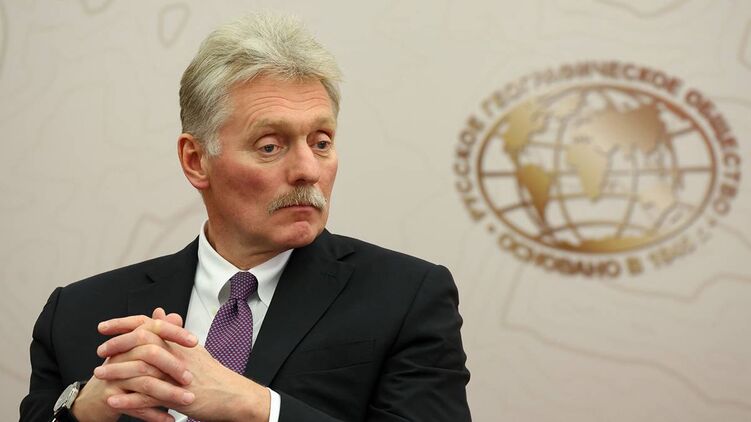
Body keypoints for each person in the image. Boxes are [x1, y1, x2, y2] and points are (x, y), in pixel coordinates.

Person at [20, 12, 471, 422]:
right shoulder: (80, 315)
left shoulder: (406, 298)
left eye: (321, 142)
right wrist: (83, 410)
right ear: (196, 160)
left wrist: (258, 407)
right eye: (270, 146)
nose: (307, 170)